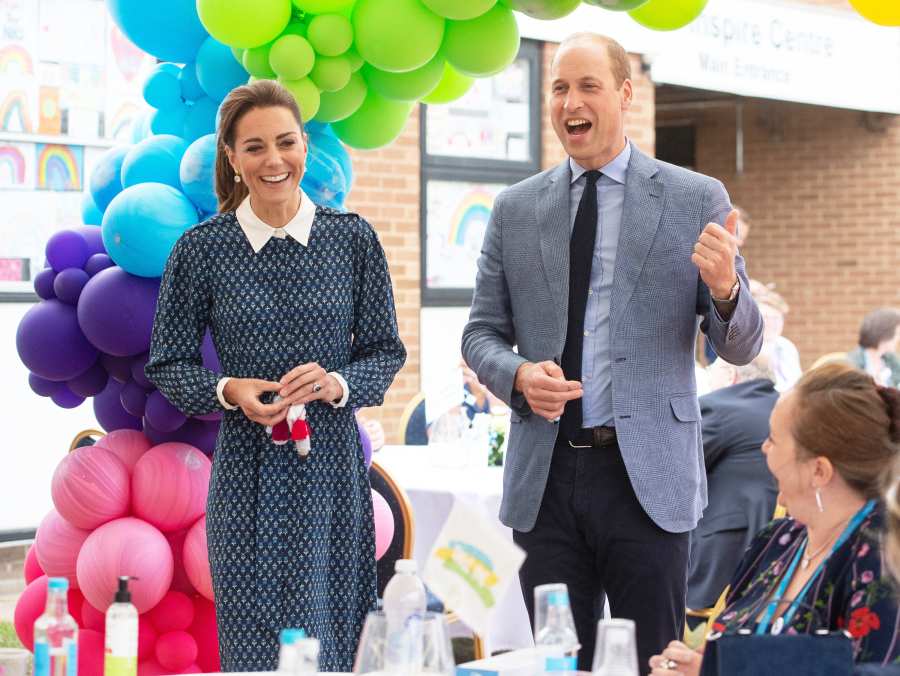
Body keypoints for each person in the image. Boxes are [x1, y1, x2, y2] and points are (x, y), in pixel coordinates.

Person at [461, 32, 764, 672]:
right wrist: (516, 374)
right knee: (558, 663)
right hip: (544, 482)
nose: (571, 101)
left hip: (647, 478)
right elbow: (479, 334)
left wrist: (727, 288)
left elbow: (739, 343)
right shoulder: (515, 209)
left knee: (650, 660)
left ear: (625, 95)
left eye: (588, 86)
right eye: (560, 88)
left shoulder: (695, 197)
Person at [144, 80, 406, 672]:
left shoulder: (353, 239)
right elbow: (168, 362)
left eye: (285, 142)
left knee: (334, 636)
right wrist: (227, 389)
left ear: (305, 149)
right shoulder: (201, 249)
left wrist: (336, 383)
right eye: (255, 147)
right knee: (256, 639)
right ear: (232, 158)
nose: (273, 160)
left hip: (331, 470)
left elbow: (385, 354)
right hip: (247, 474)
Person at [650, 364, 900, 675]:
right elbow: (720, 649)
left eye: (774, 439)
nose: (764, 448)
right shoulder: (778, 539)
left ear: (819, 471)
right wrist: (690, 664)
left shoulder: (883, 557)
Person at [687, 355, 779, 612]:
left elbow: (679, 471)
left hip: (721, 555)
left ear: (730, 375)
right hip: (776, 545)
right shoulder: (783, 407)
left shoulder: (718, 406)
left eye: (712, 372)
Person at [747, 279, 802, 392]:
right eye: (766, 317)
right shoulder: (744, 346)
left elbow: (796, 381)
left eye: (776, 318)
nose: (772, 323)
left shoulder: (786, 346)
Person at [848, 308, 900, 387]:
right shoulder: (852, 363)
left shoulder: (891, 360)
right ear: (884, 335)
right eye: (897, 334)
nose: (898, 339)